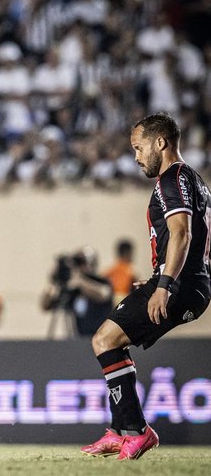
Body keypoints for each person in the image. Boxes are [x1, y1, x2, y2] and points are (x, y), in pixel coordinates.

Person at [82, 112, 211, 460]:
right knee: (113, 342)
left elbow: (182, 232)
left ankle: (137, 431)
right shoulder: (193, 180)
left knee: (104, 339)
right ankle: (119, 430)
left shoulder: (172, 179)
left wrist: (165, 284)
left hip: (181, 284)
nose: (136, 157)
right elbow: (192, 239)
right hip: (188, 281)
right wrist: (160, 275)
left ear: (160, 142)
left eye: (139, 148)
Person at [40, 247, 113, 337]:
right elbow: (45, 306)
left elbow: (104, 294)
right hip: (80, 338)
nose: (80, 267)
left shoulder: (101, 281)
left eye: (82, 262)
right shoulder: (74, 289)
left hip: (101, 337)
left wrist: (80, 282)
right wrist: (54, 282)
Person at [104, 238, 138, 304]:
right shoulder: (128, 270)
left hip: (112, 300)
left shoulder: (112, 269)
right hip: (121, 298)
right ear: (126, 253)